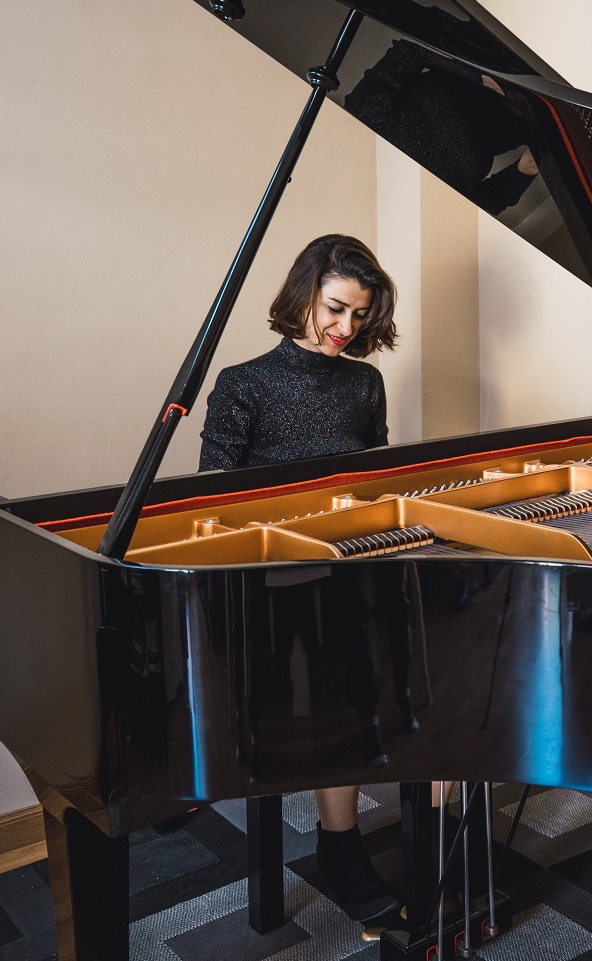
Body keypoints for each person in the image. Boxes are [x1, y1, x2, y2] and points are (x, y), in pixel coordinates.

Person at [198, 233, 401, 922]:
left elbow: (373, 485)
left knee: (389, 677)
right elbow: (212, 499)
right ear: (304, 293)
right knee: (327, 689)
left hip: (349, 564)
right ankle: (337, 843)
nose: (347, 330)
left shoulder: (364, 383)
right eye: (336, 309)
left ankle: (353, 840)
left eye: (360, 318)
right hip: (268, 579)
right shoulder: (243, 384)